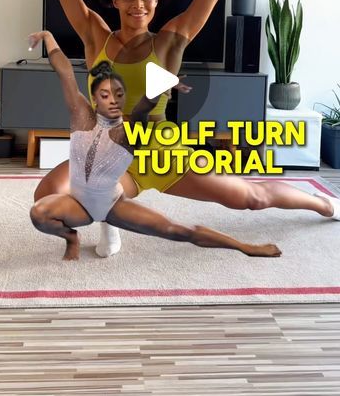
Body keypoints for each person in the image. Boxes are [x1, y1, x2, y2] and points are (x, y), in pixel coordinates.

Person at [0, 0, 340, 258]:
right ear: (114, 0)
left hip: (159, 149)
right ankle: (107, 213)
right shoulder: (94, 34)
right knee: (48, 195)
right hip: (109, 152)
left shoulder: (171, 40)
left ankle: (324, 204)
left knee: (251, 197)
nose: (138, 5)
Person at [28, 30, 283, 260]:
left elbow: (145, 106)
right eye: (105, 96)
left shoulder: (129, 130)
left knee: (179, 231)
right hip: (80, 204)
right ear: (94, 97)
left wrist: (167, 83)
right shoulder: (81, 115)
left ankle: (245, 247)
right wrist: (50, 37)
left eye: (119, 95)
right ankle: (71, 237)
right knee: (39, 213)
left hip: (111, 203)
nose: (113, 101)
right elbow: (65, 72)